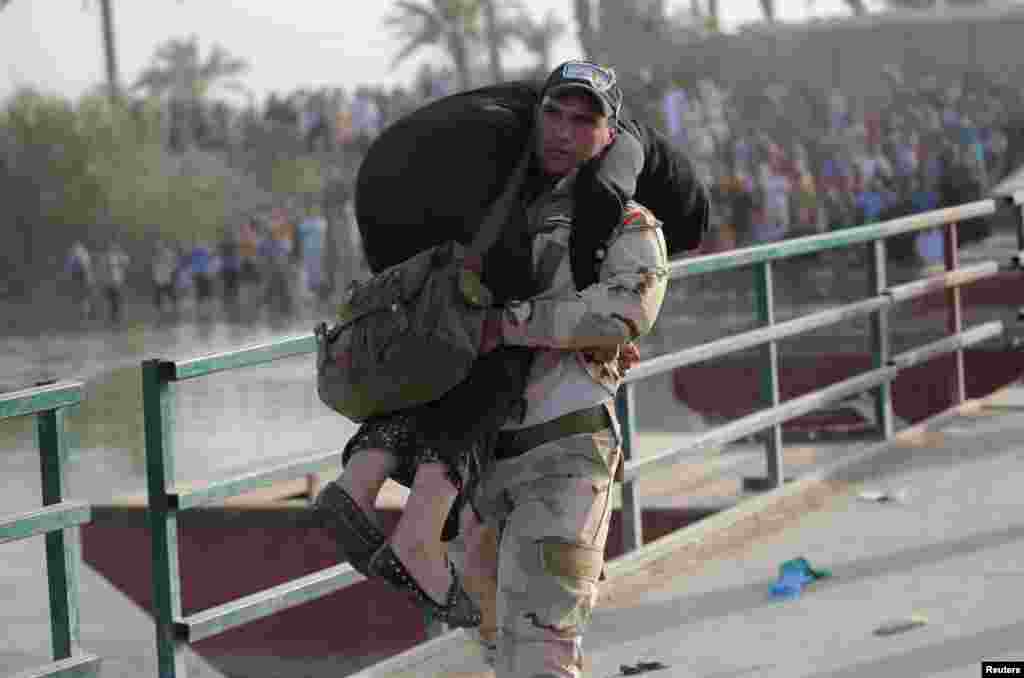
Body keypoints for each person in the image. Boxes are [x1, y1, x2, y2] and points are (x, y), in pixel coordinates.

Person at [455, 62, 670, 677]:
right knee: (498, 649)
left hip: (568, 454)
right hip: (481, 462)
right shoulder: (493, 221)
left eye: (585, 120)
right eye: (554, 113)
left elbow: (623, 314)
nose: (564, 130)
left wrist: (506, 323)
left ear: (609, 136)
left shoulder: (629, 227)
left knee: (545, 651)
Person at [95, 239, 130, 323]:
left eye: (113, 246)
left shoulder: (119, 255)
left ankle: (118, 318)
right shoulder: (105, 256)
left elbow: (127, 262)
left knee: (118, 300)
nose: (112, 248)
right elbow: (101, 267)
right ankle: (112, 318)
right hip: (108, 282)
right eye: (110, 246)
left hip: (117, 281)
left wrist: (120, 254)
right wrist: (100, 278)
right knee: (110, 300)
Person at [65, 240, 95, 319]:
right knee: (84, 297)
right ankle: (85, 314)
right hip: (81, 278)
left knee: (83, 297)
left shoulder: (76, 255)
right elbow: (88, 267)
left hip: (81, 278)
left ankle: (85, 314)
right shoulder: (83, 254)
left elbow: (69, 267)